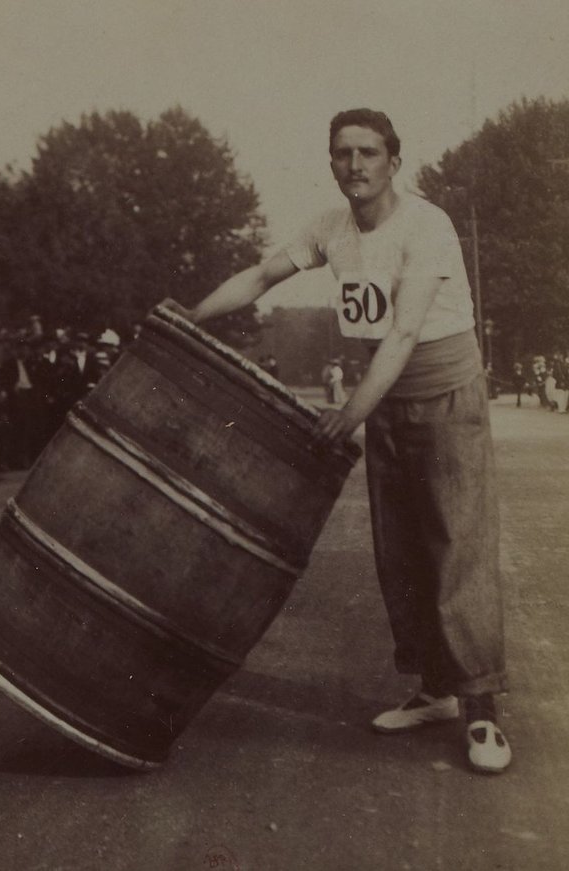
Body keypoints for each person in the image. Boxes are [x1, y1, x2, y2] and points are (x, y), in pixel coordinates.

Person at [162, 107, 511, 774]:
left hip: (442, 393)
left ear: (393, 160)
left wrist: (349, 412)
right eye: (343, 153)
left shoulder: (426, 225)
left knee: (456, 547)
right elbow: (263, 277)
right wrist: (188, 315)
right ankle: (434, 690)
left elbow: (406, 334)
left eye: (369, 152)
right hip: (389, 400)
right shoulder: (330, 228)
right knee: (400, 553)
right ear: (331, 161)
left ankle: (483, 709)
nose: (356, 165)